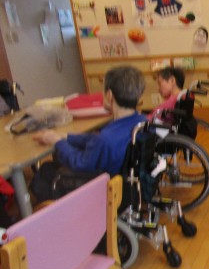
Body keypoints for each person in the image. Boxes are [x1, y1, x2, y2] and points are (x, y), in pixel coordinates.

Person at [30, 66, 146, 201]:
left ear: (109, 95)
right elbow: (95, 139)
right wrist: (67, 137)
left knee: (44, 174)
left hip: (107, 191)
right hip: (130, 185)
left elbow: (78, 162)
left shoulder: (106, 139)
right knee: (50, 167)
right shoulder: (142, 121)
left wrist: (57, 141)